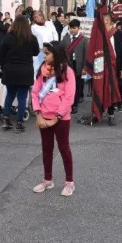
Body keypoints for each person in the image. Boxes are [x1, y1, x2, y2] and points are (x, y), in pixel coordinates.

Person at [31, 42, 76, 196]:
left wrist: (56, 118)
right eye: (44, 53)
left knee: (64, 149)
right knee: (46, 149)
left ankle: (69, 182)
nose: (44, 56)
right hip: (44, 116)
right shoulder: (41, 70)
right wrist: (38, 114)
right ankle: (47, 180)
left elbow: (69, 97)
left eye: (47, 53)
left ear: (56, 54)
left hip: (61, 118)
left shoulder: (67, 71)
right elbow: (35, 93)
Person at [0, 15, 40, 133]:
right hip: (25, 71)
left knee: (10, 95)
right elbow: (36, 52)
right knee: (22, 98)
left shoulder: (8, 37)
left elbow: (1, 54)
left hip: (10, 70)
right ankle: (19, 123)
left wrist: (3, 66)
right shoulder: (31, 38)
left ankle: (6, 120)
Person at [61, 19, 88, 115]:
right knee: (67, 86)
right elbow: (62, 52)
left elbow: (86, 55)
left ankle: (75, 104)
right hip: (68, 65)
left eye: (74, 28)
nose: (72, 30)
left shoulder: (84, 39)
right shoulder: (65, 38)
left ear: (79, 28)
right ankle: (68, 103)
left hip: (79, 66)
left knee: (77, 86)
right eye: (70, 28)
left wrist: (85, 67)